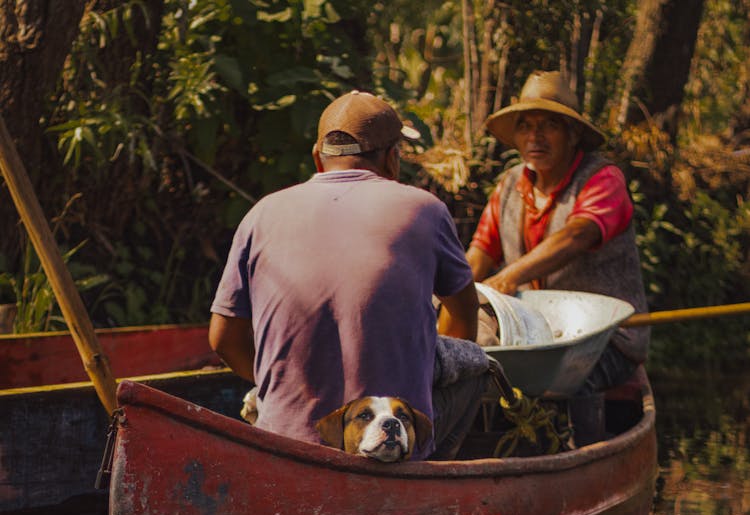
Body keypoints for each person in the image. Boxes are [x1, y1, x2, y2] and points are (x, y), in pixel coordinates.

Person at [209, 90, 489, 460]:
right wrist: (424, 374)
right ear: (392, 159)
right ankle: (428, 471)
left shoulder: (261, 214)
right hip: (385, 441)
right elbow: (464, 314)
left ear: (317, 159)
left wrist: (275, 388)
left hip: (283, 442)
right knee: (476, 369)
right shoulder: (425, 209)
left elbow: (222, 339)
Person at [467, 70, 650, 398]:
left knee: (572, 378)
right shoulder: (509, 185)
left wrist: (507, 278)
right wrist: (454, 294)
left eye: (549, 125)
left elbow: (576, 236)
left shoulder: (602, 179)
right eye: (526, 126)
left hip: (604, 337)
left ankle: (584, 447)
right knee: (471, 360)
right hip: (528, 334)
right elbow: (480, 251)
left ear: (573, 134)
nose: (535, 137)